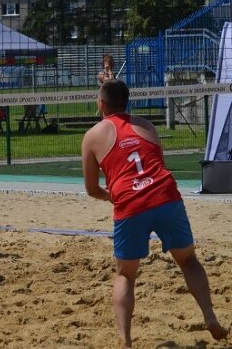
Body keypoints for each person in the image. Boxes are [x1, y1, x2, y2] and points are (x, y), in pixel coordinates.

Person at [81, 79, 228, 348]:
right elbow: (156, 163)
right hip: (165, 195)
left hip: (129, 202)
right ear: (127, 102)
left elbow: (91, 189)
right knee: (188, 261)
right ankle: (209, 316)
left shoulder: (92, 135)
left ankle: (126, 342)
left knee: (125, 274)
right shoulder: (146, 126)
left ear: (101, 104)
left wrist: (111, 195)